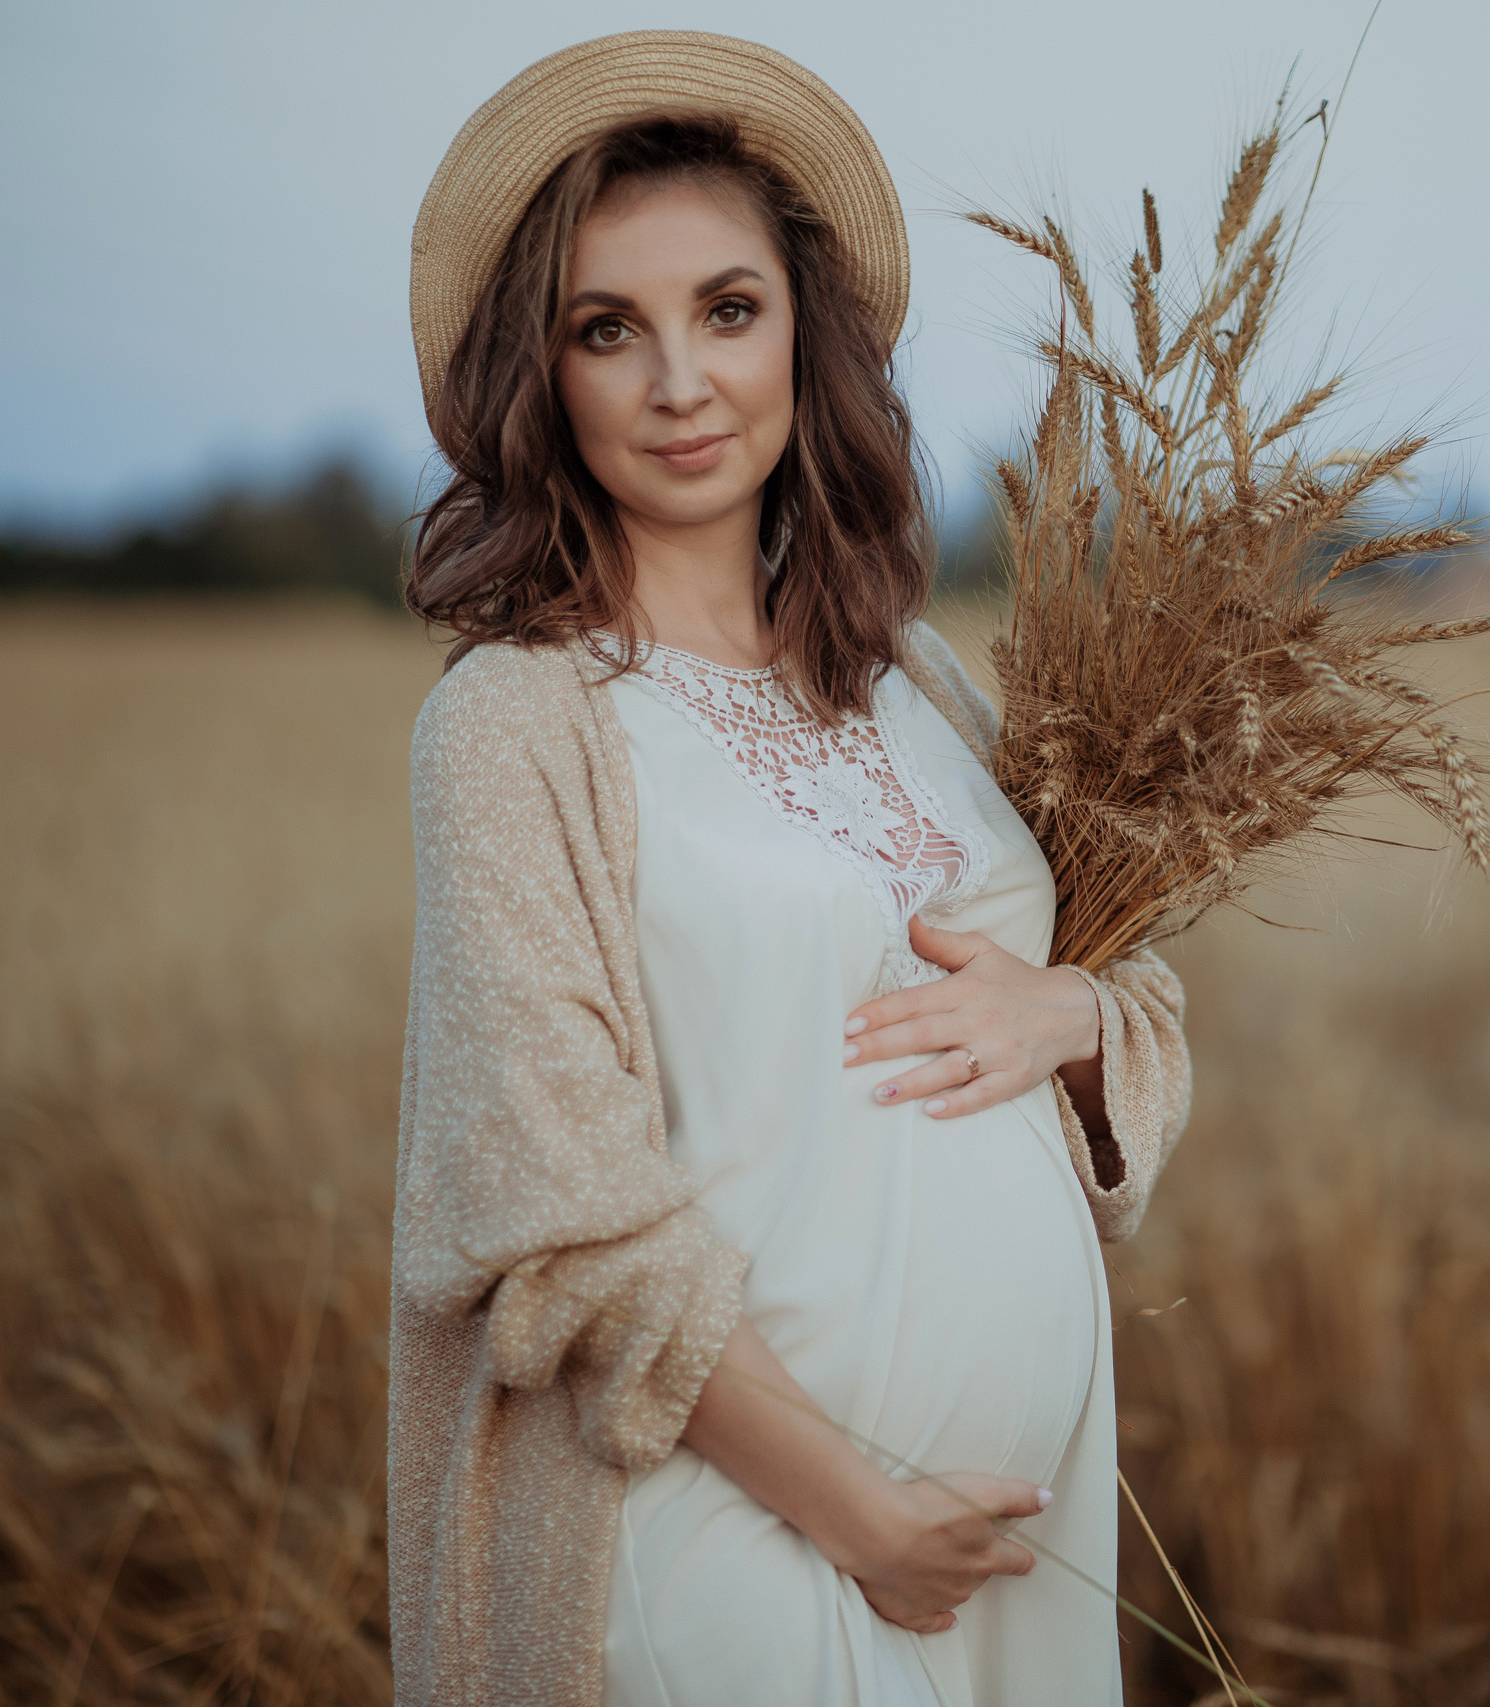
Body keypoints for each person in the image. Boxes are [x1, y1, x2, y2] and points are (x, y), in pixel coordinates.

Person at [386, 33, 1191, 1707]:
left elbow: (1118, 1015)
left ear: (802, 334)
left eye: (727, 311)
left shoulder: (918, 680)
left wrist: (1072, 1013)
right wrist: (860, 1511)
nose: (681, 381)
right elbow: (556, 1215)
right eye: (610, 329)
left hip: (1005, 1555)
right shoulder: (518, 724)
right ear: (544, 377)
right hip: (726, 1543)